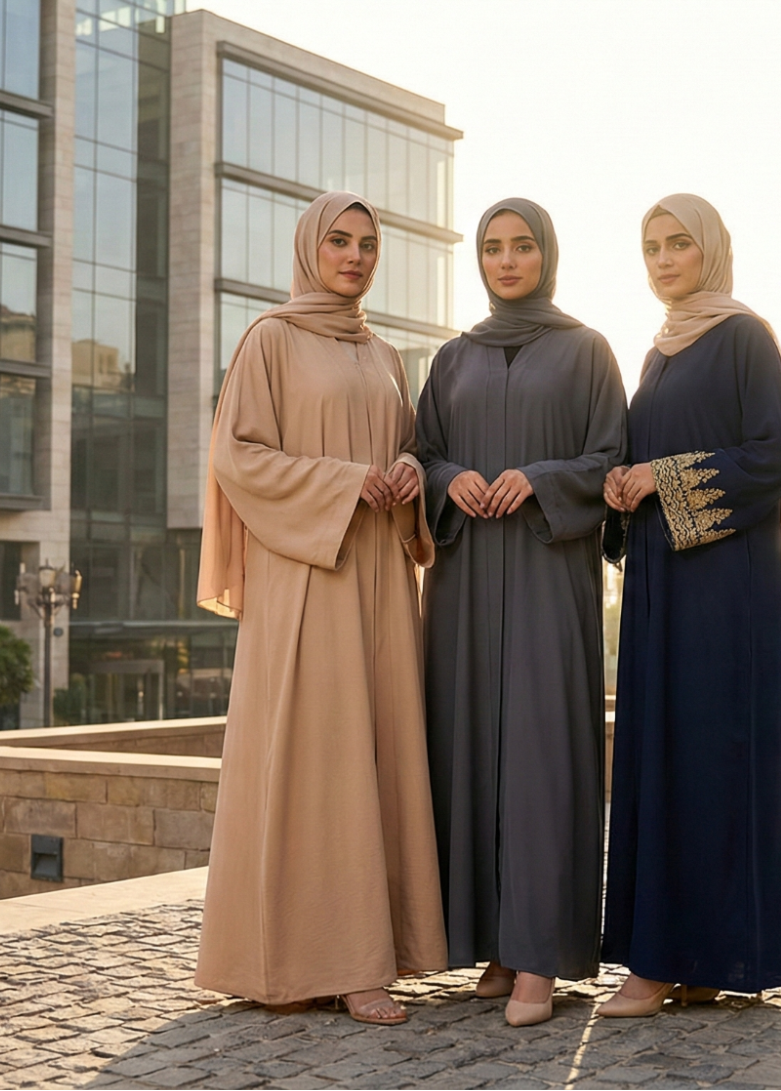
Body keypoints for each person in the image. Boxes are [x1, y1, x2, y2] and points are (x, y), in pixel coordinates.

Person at [193, 191, 448, 1026]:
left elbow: (402, 443)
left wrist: (409, 471)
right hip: (305, 577)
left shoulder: (383, 354)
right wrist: (343, 483)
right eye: (339, 241)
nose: (355, 255)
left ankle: (369, 956)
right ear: (310, 247)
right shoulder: (270, 339)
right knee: (312, 760)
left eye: (368, 244)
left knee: (369, 755)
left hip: (377, 574)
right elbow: (237, 457)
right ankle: (312, 959)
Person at [597, 193, 781, 1017]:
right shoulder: (655, 352)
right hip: (657, 584)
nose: (662, 259)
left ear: (710, 250)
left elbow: (774, 453)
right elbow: (642, 456)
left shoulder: (741, 336)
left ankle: (677, 958)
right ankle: (687, 957)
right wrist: (625, 484)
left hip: (723, 592)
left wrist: (662, 477)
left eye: (677, 244)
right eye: (649, 246)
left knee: (709, 758)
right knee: (661, 757)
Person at [416, 198, 627, 1028]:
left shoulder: (586, 351)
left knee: (542, 758)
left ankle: (542, 954)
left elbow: (611, 456)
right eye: (493, 248)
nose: (506, 261)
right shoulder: (453, 357)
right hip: (466, 581)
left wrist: (540, 477)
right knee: (468, 752)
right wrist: (447, 479)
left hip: (547, 571)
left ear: (547, 253)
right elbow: (420, 450)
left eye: (522, 246)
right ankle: (495, 946)